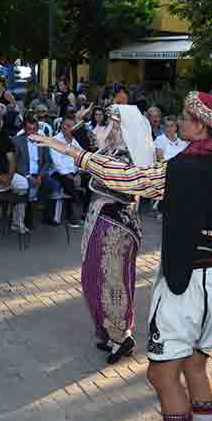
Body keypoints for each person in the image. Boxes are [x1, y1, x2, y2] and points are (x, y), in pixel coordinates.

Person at [34, 91, 212, 421]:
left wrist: (70, 151)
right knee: (196, 366)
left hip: (188, 282)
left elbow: (128, 181)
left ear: (201, 125)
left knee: (162, 376)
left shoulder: (183, 167)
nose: (179, 122)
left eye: (186, 118)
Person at [66, 105, 152, 364]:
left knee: (113, 281)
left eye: (116, 125)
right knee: (93, 276)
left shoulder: (131, 158)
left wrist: (93, 165)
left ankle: (121, 336)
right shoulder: (113, 150)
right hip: (101, 220)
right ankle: (107, 331)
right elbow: (93, 152)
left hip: (117, 227)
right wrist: (79, 126)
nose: (111, 129)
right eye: (112, 124)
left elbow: (108, 175)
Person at [47, 112, 88, 227]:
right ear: (61, 126)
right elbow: (58, 165)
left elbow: (81, 158)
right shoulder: (55, 141)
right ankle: (73, 217)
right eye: (66, 125)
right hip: (59, 173)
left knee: (90, 180)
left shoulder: (75, 141)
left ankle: (84, 212)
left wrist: (79, 174)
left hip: (74, 173)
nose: (69, 129)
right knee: (69, 183)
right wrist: (72, 177)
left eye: (72, 126)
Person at [12, 114, 53, 228]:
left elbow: (47, 161)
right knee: (28, 184)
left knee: (49, 183)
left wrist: (40, 176)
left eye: (34, 129)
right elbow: (17, 162)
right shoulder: (17, 141)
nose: (32, 132)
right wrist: (29, 176)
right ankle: (26, 214)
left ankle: (42, 210)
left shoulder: (42, 141)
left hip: (39, 173)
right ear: (24, 129)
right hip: (25, 173)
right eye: (29, 129)